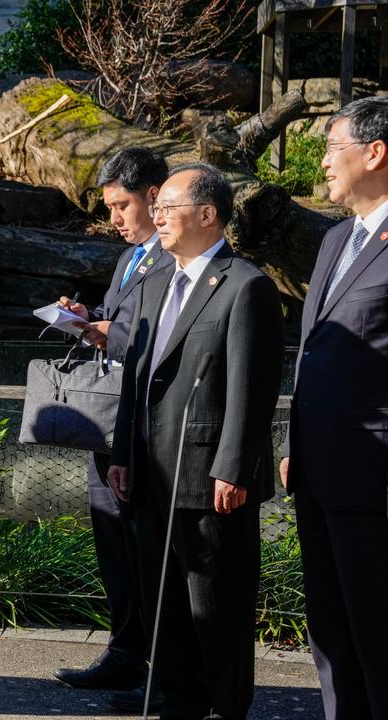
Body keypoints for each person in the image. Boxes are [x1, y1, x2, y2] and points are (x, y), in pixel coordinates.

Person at [108, 164, 283, 720]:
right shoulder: (155, 279)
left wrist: (234, 466)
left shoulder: (244, 284)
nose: (155, 216)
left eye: (168, 208)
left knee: (217, 608)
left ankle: (225, 708)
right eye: (154, 208)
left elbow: (252, 388)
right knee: (165, 612)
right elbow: (136, 376)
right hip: (148, 473)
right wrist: (121, 453)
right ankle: (177, 706)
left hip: (209, 478)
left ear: (207, 215)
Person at [281, 96, 388, 720]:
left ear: (375, 153)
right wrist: (295, 443)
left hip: (372, 472)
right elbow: (313, 349)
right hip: (318, 469)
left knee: (377, 626)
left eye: (330, 148)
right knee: (330, 626)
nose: (321, 163)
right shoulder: (334, 239)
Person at [53, 148, 171, 701]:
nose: (115, 218)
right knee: (112, 545)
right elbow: (118, 319)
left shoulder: (174, 258)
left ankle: (161, 663)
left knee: (145, 547)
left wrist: (108, 332)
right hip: (109, 424)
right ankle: (125, 651)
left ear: (154, 196)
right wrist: (82, 316)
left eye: (122, 205)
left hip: (148, 429)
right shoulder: (128, 260)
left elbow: (161, 339)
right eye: (109, 207)